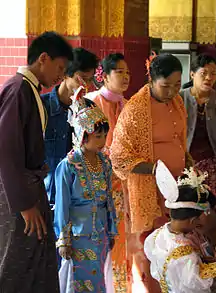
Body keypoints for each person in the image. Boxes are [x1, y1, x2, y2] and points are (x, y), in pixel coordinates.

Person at [0, 31, 73, 293]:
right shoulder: (18, 89)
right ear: (43, 58)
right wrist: (23, 204)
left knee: (36, 260)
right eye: (60, 67)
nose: (61, 75)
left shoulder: (28, 89)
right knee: (18, 262)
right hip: (19, 196)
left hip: (30, 190)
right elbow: (6, 151)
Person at [110, 53, 188, 292]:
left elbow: (179, 141)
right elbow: (119, 156)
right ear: (152, 80)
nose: (173, 91)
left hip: (176, 188)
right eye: (166, 86)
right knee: (153, 247)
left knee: (176, 245)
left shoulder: (176, 102)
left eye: (177, 85)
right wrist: (154, 169)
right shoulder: (135, 109)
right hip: (151, 191)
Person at [54, 86, 118, 292]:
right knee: (77, 282)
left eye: (105, 135)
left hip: (100, 233)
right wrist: (63, 239)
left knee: (98, 281)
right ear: (83, 135)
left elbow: (108, 198)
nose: (103, 141)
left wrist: (112, 229)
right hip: (78, 236)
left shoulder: (105, 162)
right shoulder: (68, 165)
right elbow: (63, 204)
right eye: (98, 136)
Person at [86, 53, 130, 292]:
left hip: (122, 184)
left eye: (128, 72)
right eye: (119, 72)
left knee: (120, 240)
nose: (125, 77)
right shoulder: (91, 102)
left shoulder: (128, 105)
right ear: (104, 75)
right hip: (97, 183)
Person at [144, 160, 216, 293]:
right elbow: (196, 280)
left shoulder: (157, 235)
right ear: (193, 221)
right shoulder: (184, 252)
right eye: (198, 219)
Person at [41, 47, 99, 206]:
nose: (85, 85)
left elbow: (96, 146)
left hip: (79, 194)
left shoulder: (89, 108)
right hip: (49, 194)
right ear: (66, 74)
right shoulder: (41, 106)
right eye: (81, 79)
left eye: (89, 80)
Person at [180, 54, 216, 196]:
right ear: (192, 74)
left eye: (213, 74)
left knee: (210, 207)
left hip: (212, 165)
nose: (209, 78)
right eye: (204, 73)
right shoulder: (179, 98)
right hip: (185, 165)